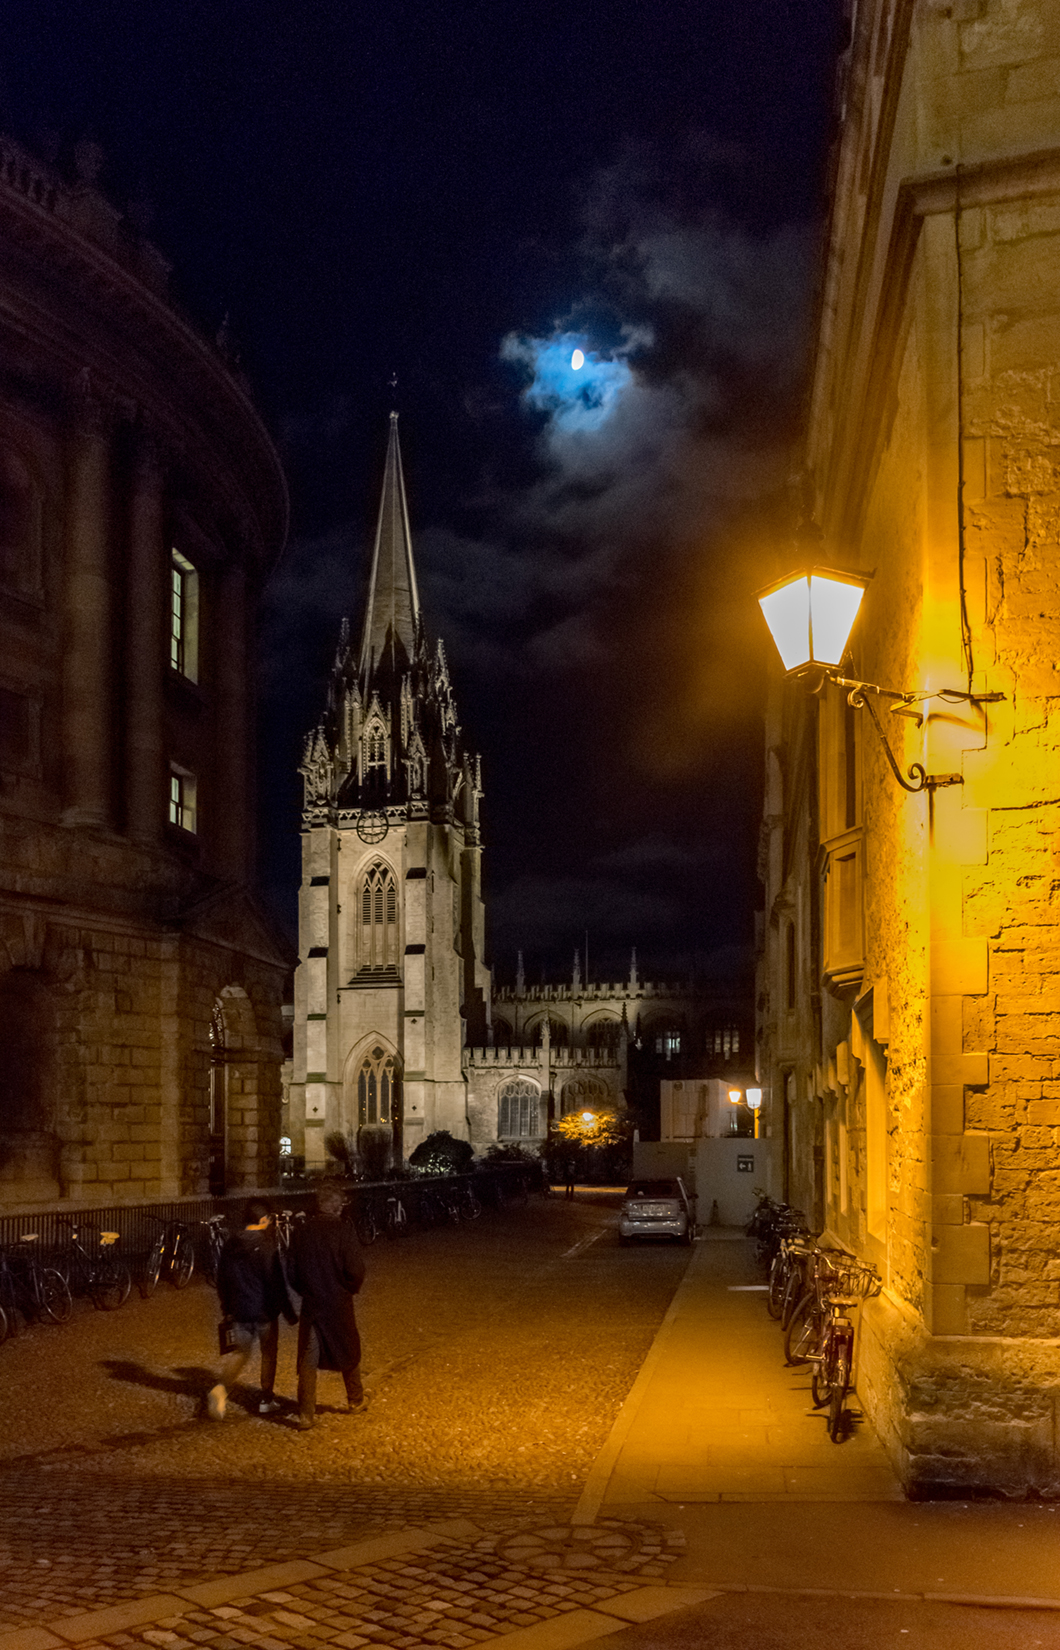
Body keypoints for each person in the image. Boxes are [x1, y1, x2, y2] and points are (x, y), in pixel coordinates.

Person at [206, 1197, 294, 1421]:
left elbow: (222, 1279)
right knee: (268, 1355)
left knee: (240, 1354)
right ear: (263, 1220)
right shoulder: (266, 1247)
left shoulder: (231, 1244)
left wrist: (227, 1307)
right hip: (264, 1311)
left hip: (239, 1309)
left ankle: (220, 1389)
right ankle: (266, 1399)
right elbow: (275, 1283)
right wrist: (288, 1312)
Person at [288, 1182, 367, 1430]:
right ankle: (355, 1399)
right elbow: (355, 1269)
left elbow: (292, 1270)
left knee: (308, 1359)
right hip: (338, 1301)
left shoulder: (302, 1231)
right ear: (336, 1207)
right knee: (348, 1348)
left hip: (313, 1303)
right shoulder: (344, 1230)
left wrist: (306, 1289)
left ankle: (306, 1412)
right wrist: (348, 1287)